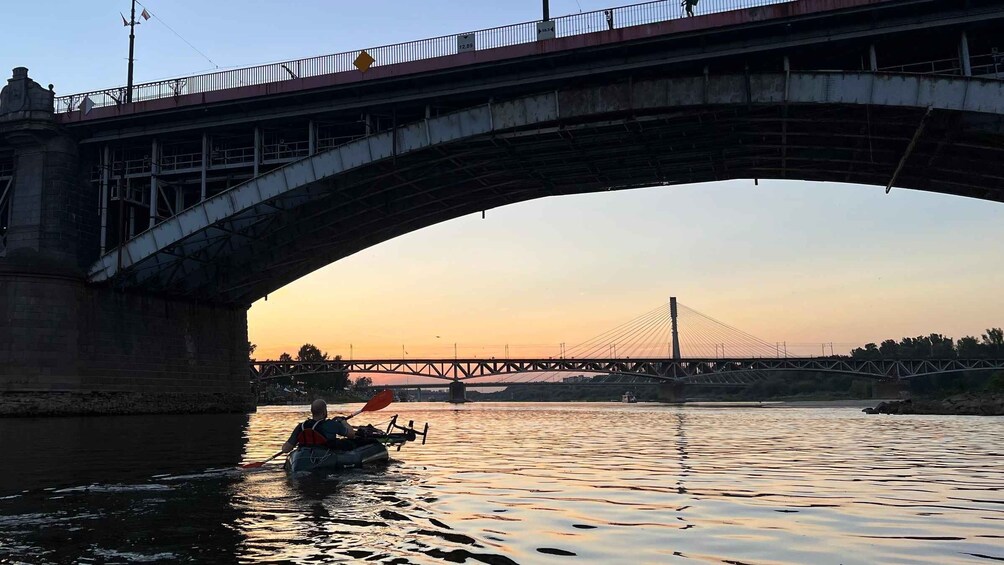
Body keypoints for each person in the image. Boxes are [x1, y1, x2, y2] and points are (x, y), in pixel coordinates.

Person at [281, 399, 356, 454]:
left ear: (312, 411)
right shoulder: (332, 424)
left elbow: (285, 449)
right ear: (324, 412)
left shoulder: (301, 426)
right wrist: (344, 422)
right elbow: (352, 435)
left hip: (304, 456)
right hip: (325, 455)